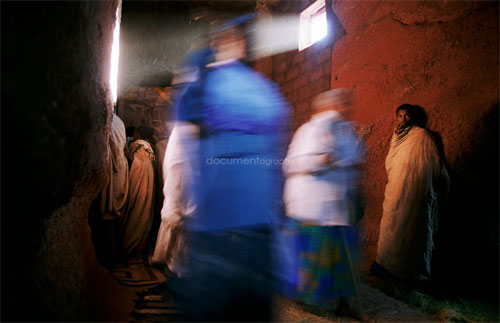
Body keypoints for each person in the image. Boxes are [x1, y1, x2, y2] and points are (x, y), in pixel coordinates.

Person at [169, 14, 290, 321]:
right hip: (259, 233)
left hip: (215, 232)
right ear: (242, 46)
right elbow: (276, 166)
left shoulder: (200, 88)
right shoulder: (268, 94)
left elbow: (185, 156)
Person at [281, 88, 365, 319]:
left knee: (343, 259)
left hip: (340, 208)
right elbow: (291, 164)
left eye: (347, 104)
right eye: (340, 104)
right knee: (312, 260)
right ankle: (307, 298)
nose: (345, 109)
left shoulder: (348, 133)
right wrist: (322, 160)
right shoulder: (308, 132)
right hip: (313, 209)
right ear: (325, 108)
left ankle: (344, 302)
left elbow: (356, 160)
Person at [152, 47, 214, 276]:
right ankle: (174, 264)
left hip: (188, 161)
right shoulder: (188, 112)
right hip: (182, 162)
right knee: (180, 211)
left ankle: (177, 265)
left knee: (187, 213)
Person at [372, 104, 450, 282]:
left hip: (415, 190)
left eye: (406, 116)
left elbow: (432, 165)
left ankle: (412, 274)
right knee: (391, 226)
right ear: (396, 118)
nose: (403, 120)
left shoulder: (423, 136)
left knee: (415, 230)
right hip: (396, 190)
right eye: (400, 116)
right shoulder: (397, 137)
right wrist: (396, 137)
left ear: (412, 118)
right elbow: (390, 163)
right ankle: (387, 266)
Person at [89, 112, 129, 266]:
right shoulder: (119, 122)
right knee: (111, 215)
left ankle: (107, 256)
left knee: (106, 213)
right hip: (120, 169)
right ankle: (112, 254)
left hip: (112, 171)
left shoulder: (108, 121)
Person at [119, 125, 156, 260]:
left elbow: (140, 164)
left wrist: (129, 157)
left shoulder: (140, 145)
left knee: (136, 214)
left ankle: (131, 247)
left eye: (135, 133)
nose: (133, 135)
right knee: (140, 214)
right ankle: (135, 247)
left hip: (140, 186)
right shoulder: (146, 146)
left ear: (138, 134)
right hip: (147, 188)